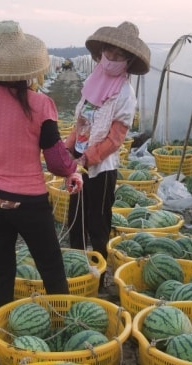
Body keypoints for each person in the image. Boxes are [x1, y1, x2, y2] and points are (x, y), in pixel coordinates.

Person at [0, 21, 83, 312]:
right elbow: (55, 158)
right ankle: (63, 325)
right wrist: (72, 170)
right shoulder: (41, 104)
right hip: (29, 202)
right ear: (28, 68)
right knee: (51, 266)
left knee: (2, 270)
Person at [63, 22, 151, 262]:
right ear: (101, 51)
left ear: (128, 61)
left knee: (97, 222)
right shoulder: (93, 81)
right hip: (78, 164)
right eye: (109, 52)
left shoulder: (125, 93)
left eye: (119, 55)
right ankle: (78, 267)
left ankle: (98, 274)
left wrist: (87, 158)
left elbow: (115, 139)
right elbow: (80, 123)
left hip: (101, 169)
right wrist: (69, 148)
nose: (112, 58)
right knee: (75, 218)